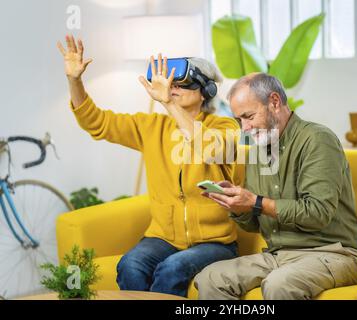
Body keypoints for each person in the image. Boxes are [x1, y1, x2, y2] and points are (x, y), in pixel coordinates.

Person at [57, 35, 241, 297]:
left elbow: (210, 149)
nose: (172, 88)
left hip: (216, 243)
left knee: (172, 268)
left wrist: (167, 103)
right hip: (163, 239)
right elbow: (95, 122)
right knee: (130, 265)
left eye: (182, 84)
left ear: (206, 91)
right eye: (170, 84)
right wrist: (74, 80)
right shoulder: (152, 127)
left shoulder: (225, 127)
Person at [194, 72, 357, 300]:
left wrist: (255, 201)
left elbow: (318, 213)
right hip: (278, 255)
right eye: (239, 120)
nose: (244, 128)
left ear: (274, 102)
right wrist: (237, 206)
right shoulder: (256, 151)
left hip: (333, 253)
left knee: (279, 284)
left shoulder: (317, 140)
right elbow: (255, 225)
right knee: (211, 278)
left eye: (249, 116)